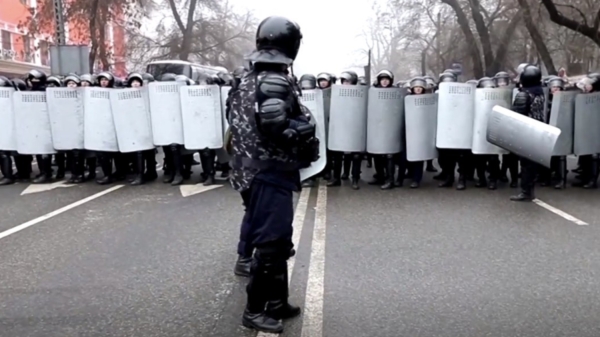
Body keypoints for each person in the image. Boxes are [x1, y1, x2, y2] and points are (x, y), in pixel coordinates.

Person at [230, 16, 318, 333]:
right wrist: (303, 130)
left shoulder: (245, 77)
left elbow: (236, 120)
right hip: (269, 170)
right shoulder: (273, 80)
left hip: (249, 168)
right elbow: (274, 127)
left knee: (278, 242)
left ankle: (277, 302)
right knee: (271, 243)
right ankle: (254, 311)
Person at [510, 65, 546, 201]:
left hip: (526, 132)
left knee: (526, 164)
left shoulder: (524, 94)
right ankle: (529, 190)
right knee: (531, 163)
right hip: (537, 130)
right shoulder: (540, 92)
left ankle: (526, 192)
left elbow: (516, 115)